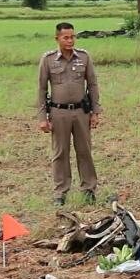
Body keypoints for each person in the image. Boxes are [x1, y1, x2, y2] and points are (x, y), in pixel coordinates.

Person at [37, 22, 101, 206]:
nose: (70, 40)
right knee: (60, 153)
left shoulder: (84, 57)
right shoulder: (48, 59)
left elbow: (93, 85)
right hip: (58, 113)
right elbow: (41, 89)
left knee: (84, 151)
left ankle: (89, 189)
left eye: (72, 37)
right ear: (57, 38)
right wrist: (42, 118)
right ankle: (60, 192)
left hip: (81, 112)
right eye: (66, 37)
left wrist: (95, 112)